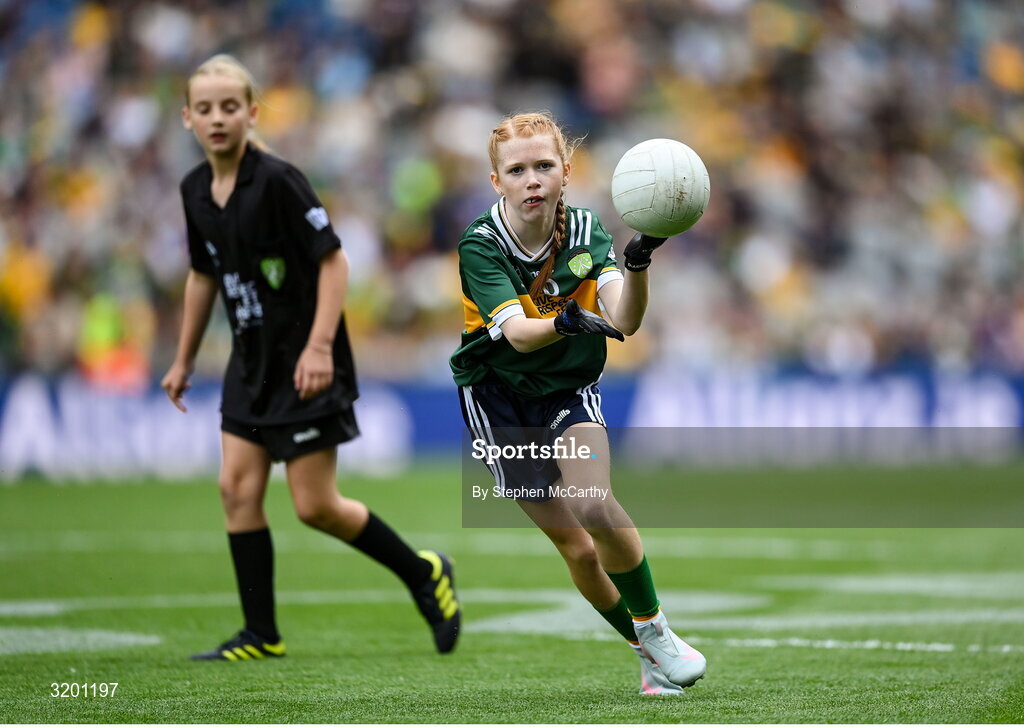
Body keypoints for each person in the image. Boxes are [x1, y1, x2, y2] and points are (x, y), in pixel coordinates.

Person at [162, 54, 460, 661]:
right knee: (236, 490)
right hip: (250, 364)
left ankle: (423, 572)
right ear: (187, 118)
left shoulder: (277, 180)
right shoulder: (194, 190)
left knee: (315, 506)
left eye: (229, 106)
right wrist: (183, 358)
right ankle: (260, 634)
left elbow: (334, 260)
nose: (218, 118)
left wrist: (320, 345)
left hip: (306, 361)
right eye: (205, 108)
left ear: (250, 112)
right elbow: (202, 275)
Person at [451, 112, 706, 695]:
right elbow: (515, 334)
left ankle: (656, 629)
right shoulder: (480, 244)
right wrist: (565, 320)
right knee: (578, 550)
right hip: (497, 400)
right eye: (517, 170)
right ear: (497, 182)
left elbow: (625, 320)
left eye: (544, 166)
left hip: (567, 389)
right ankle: (647, 652)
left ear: (567, 172)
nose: (532, 179)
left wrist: (637, 263)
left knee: (593, 504)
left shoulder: (589, 230)